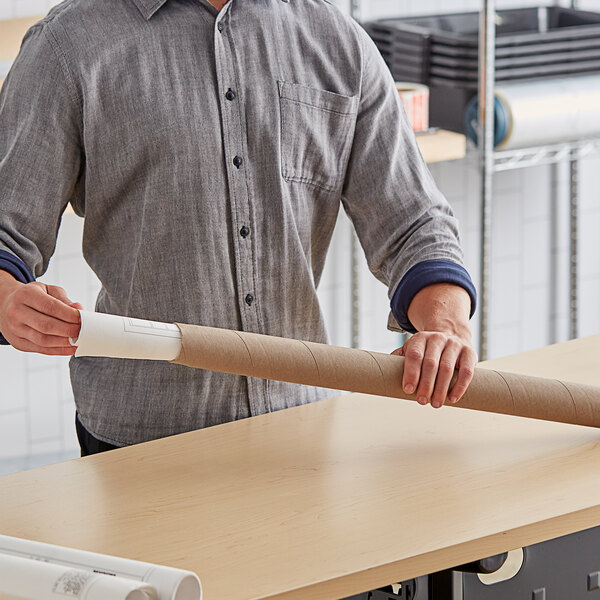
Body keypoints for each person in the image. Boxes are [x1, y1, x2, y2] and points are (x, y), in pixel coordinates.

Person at [0, 0, 477, 456]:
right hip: (139, 439)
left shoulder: (338, 42)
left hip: (302, 426)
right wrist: (8, 301)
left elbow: (413, 222)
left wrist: (446, 325)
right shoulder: (66, 46)